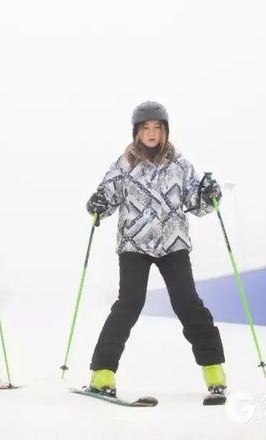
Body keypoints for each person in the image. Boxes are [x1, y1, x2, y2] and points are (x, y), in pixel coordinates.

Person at [85, 101, 227, 397]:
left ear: (165, 131)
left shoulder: (181, 165)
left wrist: (209, 194)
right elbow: (108, 197)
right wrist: (98, 204)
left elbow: (195, 203)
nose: (151, 133)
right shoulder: (124, 165)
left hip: (173, 242)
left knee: (187, 302)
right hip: (134, 244)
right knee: (129, 304)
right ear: (137, 132)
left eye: (157, 128)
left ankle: (214, 368)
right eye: (146, 128)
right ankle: (102, 372)